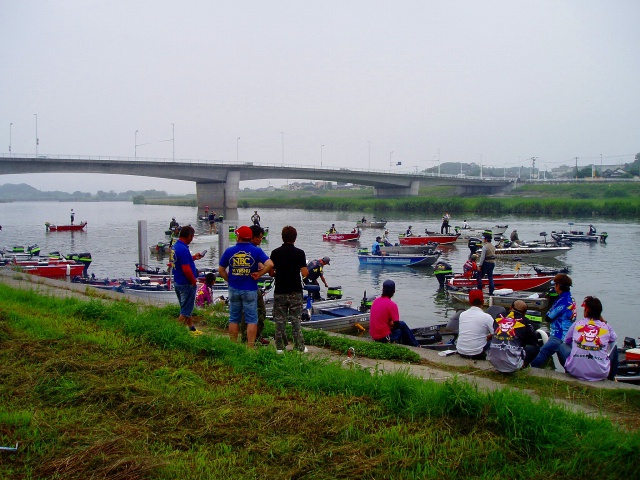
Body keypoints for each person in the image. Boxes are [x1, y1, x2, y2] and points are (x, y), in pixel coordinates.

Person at [218, 225, 273, 348]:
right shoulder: (256, 251)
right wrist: (259, 274)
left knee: (234, 318)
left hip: (234, 288)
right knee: (252, 319)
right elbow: (270, 264)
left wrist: (230, 280)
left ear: (238, 237)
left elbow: (221, 270)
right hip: (250, 289)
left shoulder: (229, 251)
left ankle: (233, 345)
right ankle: (250, 347)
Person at [269, 225, 309, 354]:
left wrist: (279, 272)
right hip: (295, 291)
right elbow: (304, 273)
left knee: (280, 320)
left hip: (280, 290)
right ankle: (299, 347)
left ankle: (280, 347)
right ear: (295, 238)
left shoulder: (275, 253)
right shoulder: (300, 253)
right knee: (296, 320)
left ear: (282, 237)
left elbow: (271, 272)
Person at [559, 296, 617, 381]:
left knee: (562, 346)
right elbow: (613, 339)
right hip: (600, 373)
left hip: (575, 371)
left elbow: (566, 341)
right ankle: (611, 378)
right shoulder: (606, 326)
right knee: (614, 345)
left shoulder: (577, 324)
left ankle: (571, 369)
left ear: (586, 311)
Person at [531, 273, 577, 368]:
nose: (554, 287)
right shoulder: (571, 298)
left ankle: (531, 372)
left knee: (543, 352)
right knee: (565, 359)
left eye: (555, 285)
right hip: (569, 334)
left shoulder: (562, 301)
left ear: (559, 286)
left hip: (559, 335)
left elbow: (548, 317)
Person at [487, 300, 540, 372]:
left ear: (510, 307)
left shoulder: (498, 316)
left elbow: (496, 331)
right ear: (524, 313)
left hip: (493, 361)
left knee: (495, 339)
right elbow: (534, 341)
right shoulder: (526, 322)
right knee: (535, 347)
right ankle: (522, 366)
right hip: (512, 365)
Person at [172, 225, 205, 335]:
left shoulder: (176, 247)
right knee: (185, 311)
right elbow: (186, 269)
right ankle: (175, 333)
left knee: (186, 307)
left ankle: (191, 329)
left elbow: (179, 262)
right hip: (186, 283)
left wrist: (194, 257)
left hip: (177, 281)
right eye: (192, 236)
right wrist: (193, 281)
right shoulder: (183, 249)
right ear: (189, 236)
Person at [240, 225, 270, 345]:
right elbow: (268, 265)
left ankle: (244, 337)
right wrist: (262, 272)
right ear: (253, 237)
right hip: (251, 286)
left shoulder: (239, 249)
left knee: (244, 313)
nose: (261, 240)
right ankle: (256, 337)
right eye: (260, 238)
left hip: (239, 286)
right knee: (261, 311)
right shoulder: (255, 250)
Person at [369, 280, 420, 347]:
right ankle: (416, 345)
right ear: (394, 291)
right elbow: (396, 326)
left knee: (402, 324)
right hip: (384, 338)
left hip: (374, 336)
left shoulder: (375, 301)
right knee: (402, 328)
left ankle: (413, 342)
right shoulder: (392, 305)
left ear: (382, 290)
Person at [456, 289, 494, 359]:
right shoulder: (487, 317)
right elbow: (495, 333)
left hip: (460, 350)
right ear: (483, 301)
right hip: (477, 353)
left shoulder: (462, 314)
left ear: (470, 302)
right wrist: (488, 337)